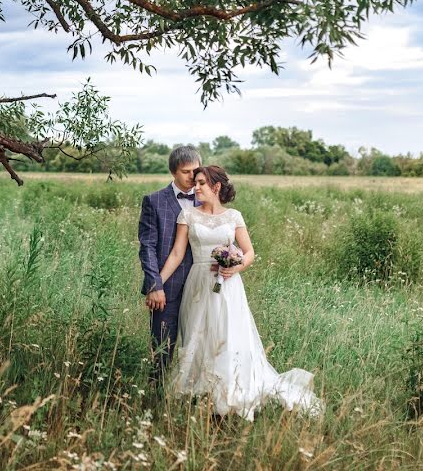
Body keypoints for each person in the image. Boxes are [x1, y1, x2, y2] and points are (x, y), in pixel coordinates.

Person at [158, 165, 323, 420]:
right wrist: (156, 284)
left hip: (228, 286)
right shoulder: (188, 216)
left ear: (216, 187)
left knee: (229, 336)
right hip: (199, 283)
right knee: (196, 336)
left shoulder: (234, 216)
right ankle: (199, 391)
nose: (196, 187)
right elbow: (178, 253)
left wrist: (234, 267)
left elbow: (249, 253)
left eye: (201, 183)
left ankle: (229, 393)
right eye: (196, 182)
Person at [138, 145, 201, 385]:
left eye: (196, 171)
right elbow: (147, 247)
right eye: (186, 172)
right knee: (162, 348)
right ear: (173, 172)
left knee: (202, 344)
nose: (192, 177)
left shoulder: (206, 198)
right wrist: (155, 285)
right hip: (167, 287)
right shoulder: (154, 201)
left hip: (201, 286)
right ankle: (155, 396)